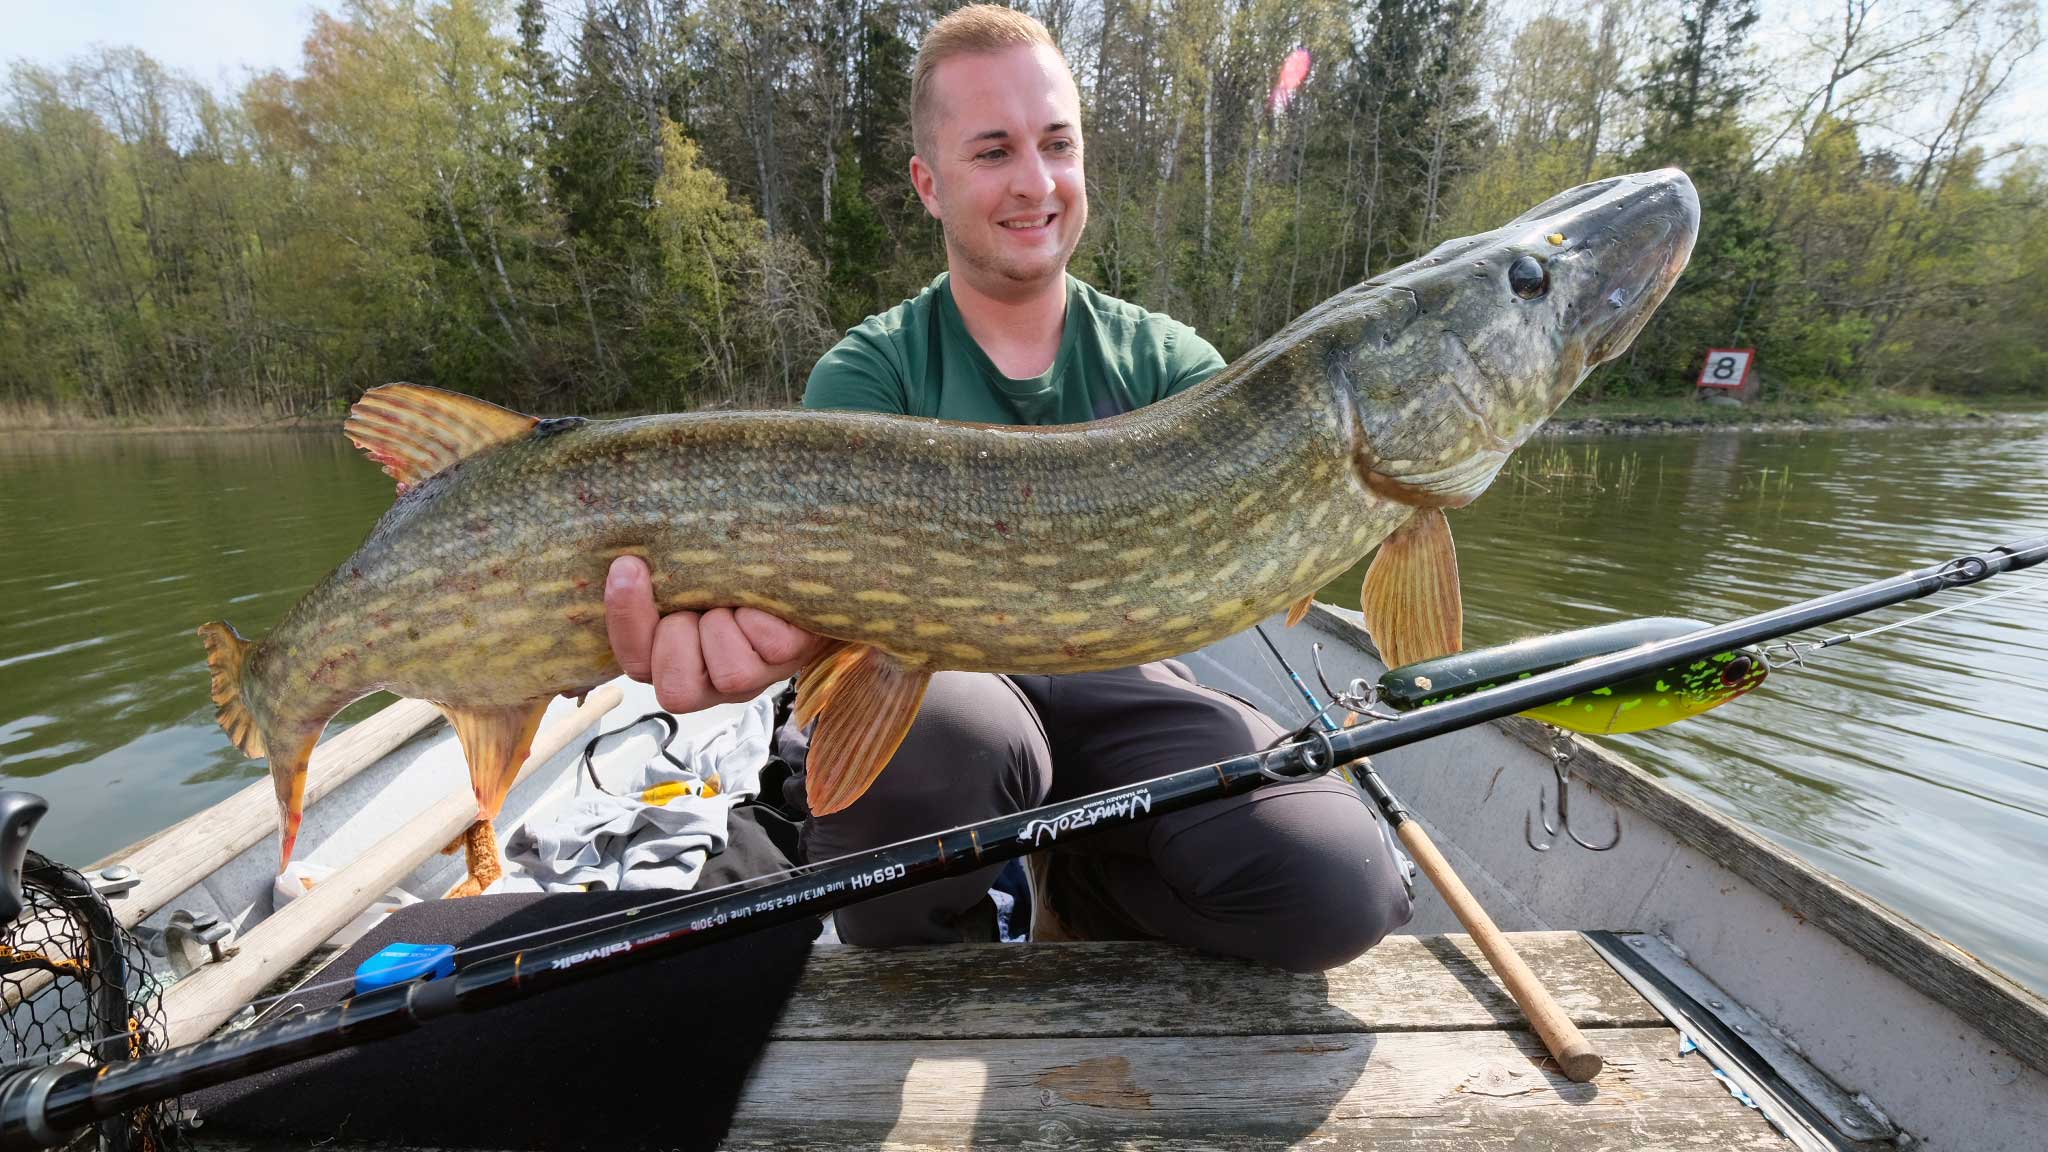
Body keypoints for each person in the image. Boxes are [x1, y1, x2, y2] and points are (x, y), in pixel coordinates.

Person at [600, 4, 1412, 971]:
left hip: (1123, 684)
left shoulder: (1171, 363)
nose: (1036, 182)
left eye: (1056, 144)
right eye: (993, 152)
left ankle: (1078, 874)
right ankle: (937, 957)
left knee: (1338, 885)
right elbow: (838, 651)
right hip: (936, 687)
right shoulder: (870, 375)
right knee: (948, 745)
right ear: (928, 184)